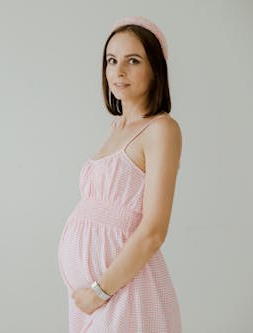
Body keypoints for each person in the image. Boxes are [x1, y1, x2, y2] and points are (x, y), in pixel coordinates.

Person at [57, 16, 182, 332]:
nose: (118, 71)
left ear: (155, 68)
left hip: (123, 289)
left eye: (133, 60)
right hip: (92, 298)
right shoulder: (117, 129)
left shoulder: (161, 129)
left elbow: (154, 230)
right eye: (111, 60)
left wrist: (100, 290)